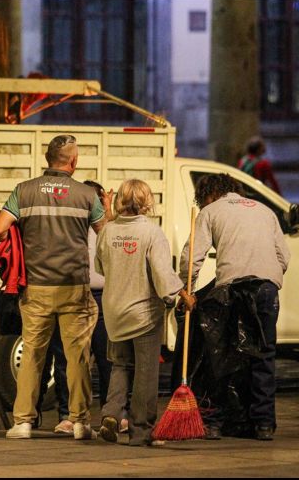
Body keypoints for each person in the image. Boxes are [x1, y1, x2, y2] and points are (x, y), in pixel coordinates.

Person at [0, 135, 105, 440]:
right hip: (74, 287)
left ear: (47, 158)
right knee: (77, 355)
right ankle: (80, 422)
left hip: (37, 288)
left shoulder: (23, 191)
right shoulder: (86, 195)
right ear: (73, 162)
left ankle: (23, 423)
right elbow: (105, 234)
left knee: (32, 354)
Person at [180, 173, 290, 441]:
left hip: (232, 290)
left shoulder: (210, 211)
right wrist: (268, 277)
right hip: (266, 289)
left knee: (223, 357)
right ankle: (263, 425)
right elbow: (284, 257)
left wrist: (188, 290)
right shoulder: (265, 211)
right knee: (263, 355)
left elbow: (191, 257)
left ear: (210, 194)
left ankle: (215, 423)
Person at [95, 179, 195, 447]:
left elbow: (101, 267)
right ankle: (141, 431)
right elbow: (162, 274)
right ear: (146, 201)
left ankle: (111, 414)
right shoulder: (151, 232)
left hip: (115, 312)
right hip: (143, 314)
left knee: (119, 365)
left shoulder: (107, 231)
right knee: (145, 372)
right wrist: (181, 294)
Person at [36, 180, 115, 436]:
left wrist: (109, 213)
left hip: (104, 298)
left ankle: (109, 415)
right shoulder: (70, 226)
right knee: (68, 359)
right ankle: (68, 415)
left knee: (107, 360)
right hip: (73, 295)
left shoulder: (108, 228)